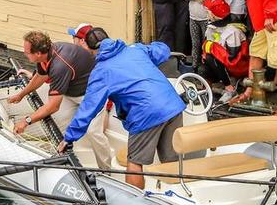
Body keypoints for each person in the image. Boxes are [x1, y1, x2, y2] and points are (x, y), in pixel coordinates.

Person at [58, 28, 186, 190]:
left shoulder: (101, 71)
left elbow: (88, 108)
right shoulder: (135, 49)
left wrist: (69, 137)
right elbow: (162, 49)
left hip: (145, 115)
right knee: (171, 159)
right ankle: (178, 198)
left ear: (91, 50)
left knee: (134, 163)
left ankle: (135, 204)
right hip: (172, 106)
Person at [8, 31, 112, 169]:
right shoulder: (47, 55)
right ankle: (62, 149)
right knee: (56, 120)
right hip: (72, 91)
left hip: (93, 94)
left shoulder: (59, 65)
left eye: (27, 52)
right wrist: (21, 94)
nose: (24, 53)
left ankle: (106, 170)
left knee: (93, 131)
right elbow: (40, 77)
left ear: (38, 53)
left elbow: (53, 106)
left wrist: (26, 121)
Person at [200, 0, 250, 99]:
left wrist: (212, 47)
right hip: (222, 63)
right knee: (203, 67)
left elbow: (233, 58)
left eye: (209, 11)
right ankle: (206, 89)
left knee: (210, 57)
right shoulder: (211, 27)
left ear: (214, 16)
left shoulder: (233, 31)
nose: (207, 12)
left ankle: (230, 89)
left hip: (237, 66)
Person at [183, 0, 217, 70]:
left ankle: (206, 69)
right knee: (195, 43)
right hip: (193, 17)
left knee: (205, 43)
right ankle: (194, 67)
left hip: (205, 18)